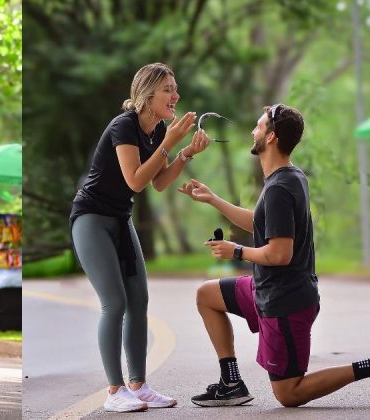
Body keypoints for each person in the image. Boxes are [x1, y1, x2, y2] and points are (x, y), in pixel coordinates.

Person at [179, 104, 370, 407]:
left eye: (259, 126)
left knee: (289, 393)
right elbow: (262, 222)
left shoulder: (280, 187)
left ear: (271, 137)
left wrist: (235, 251)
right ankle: (231, 382)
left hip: (286, 301)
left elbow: (279, 253)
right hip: (266, 289)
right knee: (207, 295)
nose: (253, 131)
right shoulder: (287, 177)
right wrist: (213, 200)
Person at [69, 62, 211, 412]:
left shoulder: (158, 129)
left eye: (175, 90)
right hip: (90, 218)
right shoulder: (124, 125)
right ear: (147, 94)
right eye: (168, 90)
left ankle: (139, 385)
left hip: (120, 218)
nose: (176, 96)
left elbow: (160, 183)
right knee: (114, 303)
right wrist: (170, 142)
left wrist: (184, 152)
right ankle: (115, 391)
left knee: (139, 300)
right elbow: (135, 180)